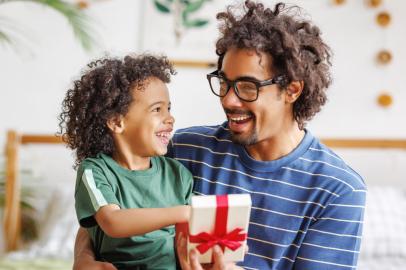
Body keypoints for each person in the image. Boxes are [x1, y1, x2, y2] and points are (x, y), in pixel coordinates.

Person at [73, 1, 367, 269]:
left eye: (248, 86)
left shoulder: (338, 189)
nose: (228, 100)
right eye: (224, 83)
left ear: (291, 89)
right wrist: (83, 258)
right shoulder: (184, 149)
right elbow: (108, 206)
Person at [59, 54, 193, 270]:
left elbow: (190, 240)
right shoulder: (95, 171)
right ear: (116, 122)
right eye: (157, 109)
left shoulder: (178, 174)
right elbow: (112, 222)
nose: (170, 118)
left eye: (169, 108)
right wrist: (184, 213)